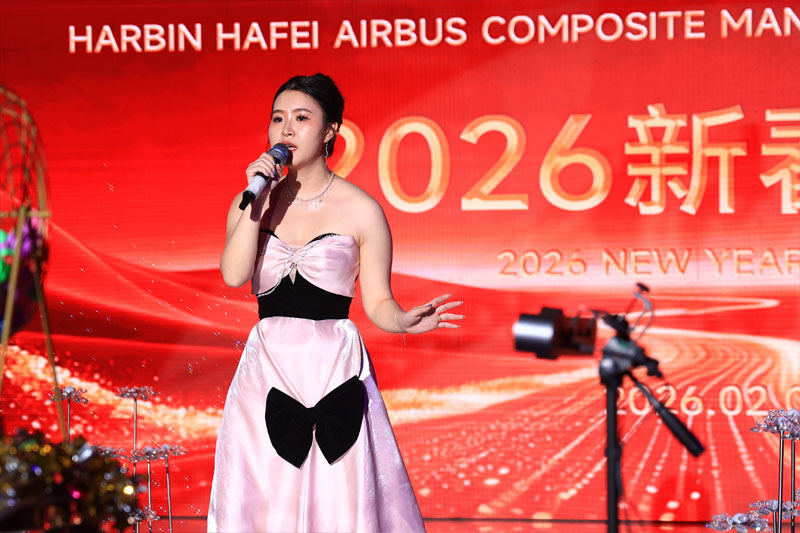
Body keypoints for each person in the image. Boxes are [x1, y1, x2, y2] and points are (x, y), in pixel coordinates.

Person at [207, 73, 463, 532]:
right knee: (266, 495)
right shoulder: (253, 201)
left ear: (330, 131)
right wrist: (256, 200)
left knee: (339, 496)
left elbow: (378, 301)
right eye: (277, 118)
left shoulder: (361, 209)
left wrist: (403, 320)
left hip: (334, 366)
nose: (286, 129)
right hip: (267, 368)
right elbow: (233, 275)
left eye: (301, 118)